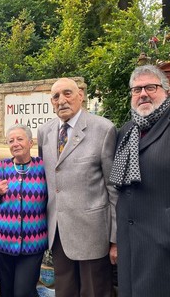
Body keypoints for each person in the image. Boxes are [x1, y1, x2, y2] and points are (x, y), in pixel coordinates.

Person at [37, 78, 118, 297]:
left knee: (95, 292)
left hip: (93, 234)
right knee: (64, 292)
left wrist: (115, 238)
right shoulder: (45, 132)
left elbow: (113, 188)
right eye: (56, 96)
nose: (61, 100)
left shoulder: (104, 129)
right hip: (59, 232)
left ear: (81, 95)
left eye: (67, 93)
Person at [109, 64, 170, 297]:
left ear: (166, 90)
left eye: (150, 87)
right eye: (136, 90)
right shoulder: (126, 131)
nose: (143, 93)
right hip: (130, 244)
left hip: (162, 245)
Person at [0, 124, 48, 297]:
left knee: (23, 292)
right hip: (3, 242)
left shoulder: (43, 168)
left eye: (20, 139)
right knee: (7, 291)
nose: (15, 143)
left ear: (30, 142)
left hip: (34, 243)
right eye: (11, 141)